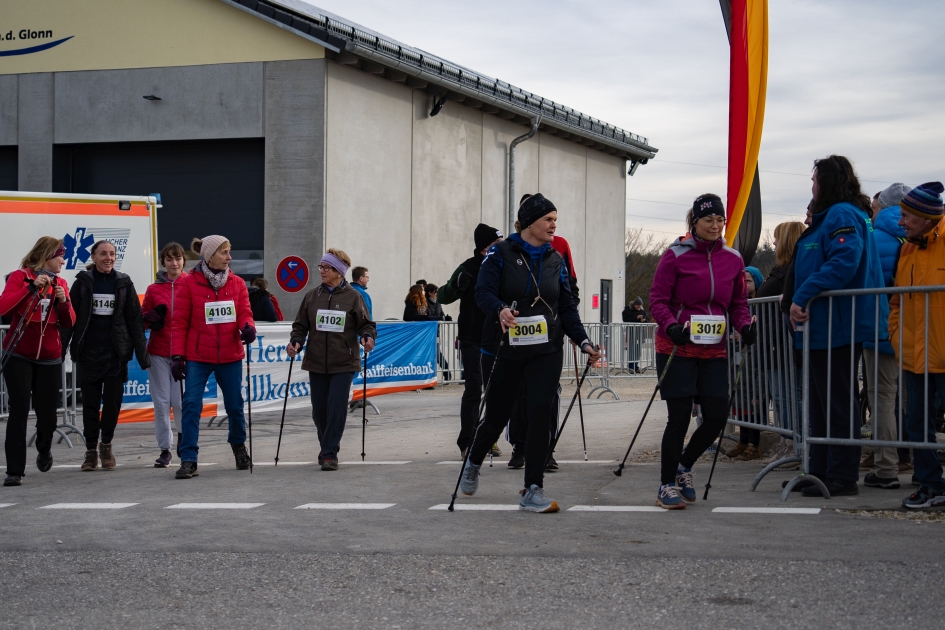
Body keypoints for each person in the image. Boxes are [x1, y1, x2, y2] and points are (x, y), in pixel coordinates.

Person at [458, 193, 601, 513]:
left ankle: (532, 488)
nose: (554, 225)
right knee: (496, 416)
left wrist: (584, 342)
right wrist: (499, 311)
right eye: (548, 219)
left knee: (540, 413)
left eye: (555, 220)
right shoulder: (499, 253)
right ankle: (473, 461)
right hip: (503, 348)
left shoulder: (555, 259)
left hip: (546, 349)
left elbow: (566, 306)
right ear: (530, 221)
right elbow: (483, 292)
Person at [789, 155, 886, 498]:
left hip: (837, 324)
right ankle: (819, 470)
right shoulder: (831, 216)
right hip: (824, 326)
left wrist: (802, 296)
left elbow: (845, 261)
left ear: (827, 181)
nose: (812, 185)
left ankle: (842, 476)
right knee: (819, 402)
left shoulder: (843, 213)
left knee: (836, 403)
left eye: (815, 179)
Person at [649, 193, 754, 509]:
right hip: (677, 347)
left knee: (717, 416)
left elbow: (737, 303)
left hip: (714, 350)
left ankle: (684, 467)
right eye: (709, 220)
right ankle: (666, 485)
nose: (715, 225)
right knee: (678, 418)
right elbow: (657, 300)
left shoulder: (733, 259)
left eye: (720, 220)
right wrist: (670, 326)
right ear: (694, 222)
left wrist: (745, 325)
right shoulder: (675, 255)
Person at [170, 236, 256, 479]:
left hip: (229, 355)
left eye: (229, 252)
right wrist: (177, 356)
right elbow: (179, 323)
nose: (229, 257)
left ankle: (239, 447)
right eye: (224, 252)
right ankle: (188, 458)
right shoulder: (189, 284)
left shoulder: (237, 283)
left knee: (235, 406)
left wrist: (248, 327)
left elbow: (245, 313)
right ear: (209, 256)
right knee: (191, 405)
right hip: (198, 355)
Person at [64, 240, 150, 472]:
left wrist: (143, 357)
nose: (108, 258)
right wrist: (61, 349)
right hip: (88, 353)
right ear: (93, 257)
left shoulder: (123, 283)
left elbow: (134, 320)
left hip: (115, 355)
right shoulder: (82, 284)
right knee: (90, 405)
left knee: (112, 404)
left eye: (112, 254)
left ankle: (106, 445)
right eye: (103, 254)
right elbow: (69, 320)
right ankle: (91, 451)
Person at [287, 248, 376, 471]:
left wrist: (367, 337)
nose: (322, 271)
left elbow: (366, 324)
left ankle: (329, 453)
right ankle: (327, 444)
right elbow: (300, 326)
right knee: (319, 410)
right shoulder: (311, 296)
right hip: (316, 361)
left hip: (343, 361)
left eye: (327, 267)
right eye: (321, 266)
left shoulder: (353, 297)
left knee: (336, 407)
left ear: (339, 271)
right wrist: (296, 342)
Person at [0, 237, 76, 486]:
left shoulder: (61, 282)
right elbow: (4, 308)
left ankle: (44, 448)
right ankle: (14, 471)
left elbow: (69, 322)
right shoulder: (19, 277)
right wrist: (30, 288)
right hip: (19, 354)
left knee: (47, 416)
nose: (63, 261)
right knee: (19, 411)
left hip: (49, 358)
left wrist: (64, 302)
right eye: (60, 256)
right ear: (47, 256)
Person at [889, 182, 945, 509]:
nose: (901, 223)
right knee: (916, 423)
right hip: (914, 354)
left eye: (907, 216)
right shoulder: (907, 248)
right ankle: (930, 484)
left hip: (940, 352)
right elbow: (896, 302)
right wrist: (899, 337)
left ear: (926, 218)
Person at [438, 223, 504, 458]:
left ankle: (489, 437)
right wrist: (456, 285)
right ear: (485, 247)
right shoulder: (467, 268)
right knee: (474, 389)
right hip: (473, 338)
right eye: (497, 243)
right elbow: (443, 296)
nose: (502, 246)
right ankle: (467, 441)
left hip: (499, 338)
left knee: (498, 390)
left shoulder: (505, 265)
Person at [861, 182, 911, 487]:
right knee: (916, 400)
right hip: (920, 329)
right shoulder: (926, 234)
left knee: (882, 399)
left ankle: (886, 468)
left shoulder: (875, 238)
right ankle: (923, 467)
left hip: (881, 330)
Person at [756, 221, 806, 469]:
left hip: (783, 342)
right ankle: (788, 442)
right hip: (773, 343)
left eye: (777, 238)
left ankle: (796, 444)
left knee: (789, 396)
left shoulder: (791, 271)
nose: (773, 243)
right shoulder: (781, 269)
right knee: (781, 396)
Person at [142, 242, 186, 467]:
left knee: (178, 403)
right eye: (169, 259)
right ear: (163, 262)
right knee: (160, 402)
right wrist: (149, 318)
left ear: (183, 261)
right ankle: (165, 449)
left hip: (182, 354)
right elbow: (142, 317)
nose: (174, 263)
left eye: (177, 258)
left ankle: (182, 439)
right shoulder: (153, 289)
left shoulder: (190, 285)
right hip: (158, 352)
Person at [725, 266, 765, 461]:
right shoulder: (739, 306)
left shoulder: (762, 306)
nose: (744, 284)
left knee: (753, 403)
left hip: (755, 360)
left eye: (748, 281)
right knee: (740, 403)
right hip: (741, 359)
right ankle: (743, 440)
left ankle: (754, 444)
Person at [622, 296, 647, 374]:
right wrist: (636, 317)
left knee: (638, 351)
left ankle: (636, 367)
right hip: (631, 333)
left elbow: (647, 320)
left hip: (639, 333)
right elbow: (625, 320)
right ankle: (630, 367)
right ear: (634, 304)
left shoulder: (642, 311)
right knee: (631, 350)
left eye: (640, 305)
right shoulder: (627, 310)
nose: (639, 307)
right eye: (638, 305)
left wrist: (644, 320)